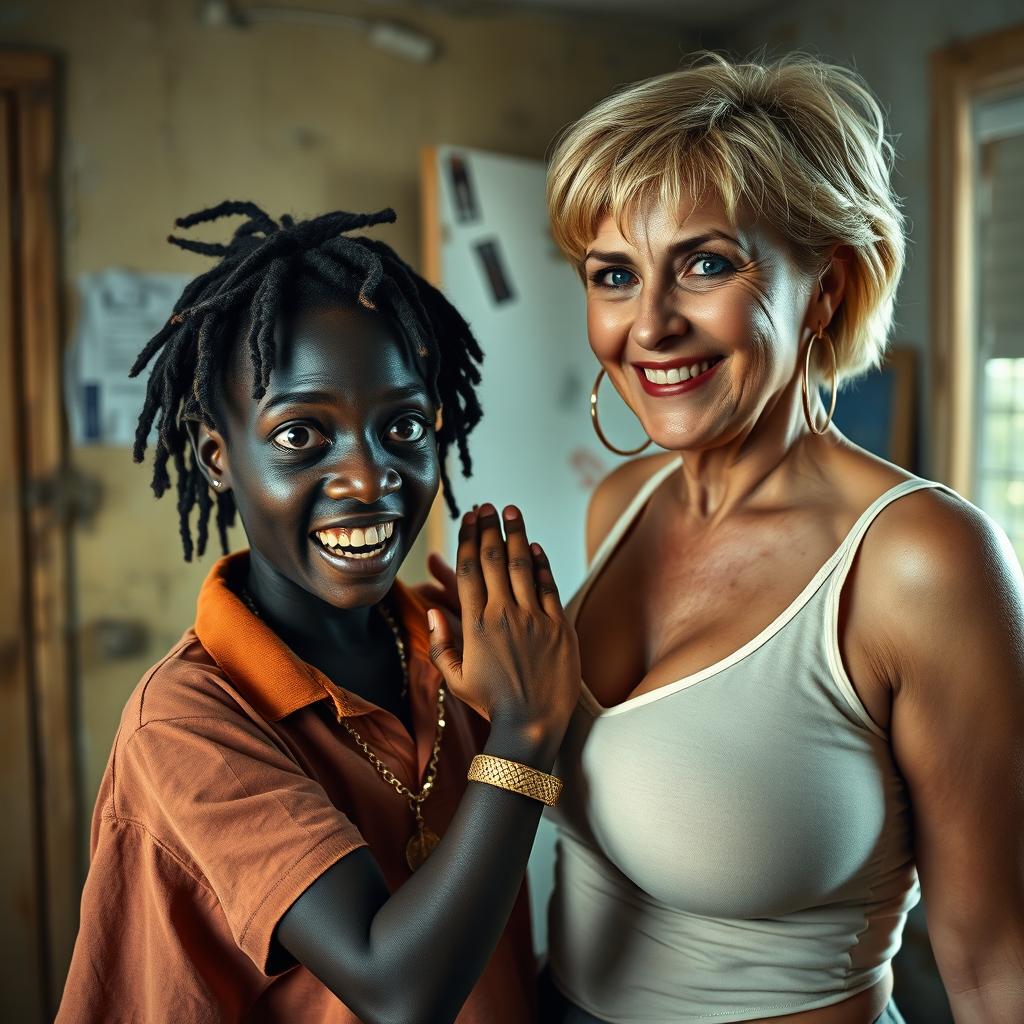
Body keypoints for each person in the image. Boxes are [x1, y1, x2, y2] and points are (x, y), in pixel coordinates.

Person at [424, 54, 1024, 1023]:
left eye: (705, 264)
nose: (650, 326)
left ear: (824, 288)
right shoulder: (618, 503)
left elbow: (996, 964)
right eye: (613, 275)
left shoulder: (920, 560)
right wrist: (501, 704)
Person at [56, 202, 581, 1023]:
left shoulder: (456, 653)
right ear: (217, 455)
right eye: (302, 435)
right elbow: (397, 988)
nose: (369, 479)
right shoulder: (188, 724)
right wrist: (525, 731)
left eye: (404, 425)